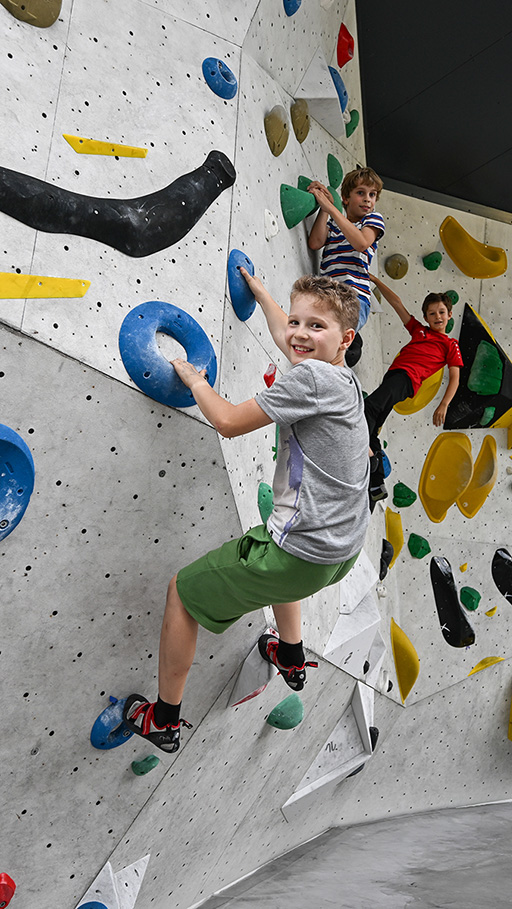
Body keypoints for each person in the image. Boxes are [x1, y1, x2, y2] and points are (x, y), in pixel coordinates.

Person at [122, 272, 370, 753]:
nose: (299, 333)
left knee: (183, 592)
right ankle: (291, 657)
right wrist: (263, 294)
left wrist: (194, 379)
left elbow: (229, 421)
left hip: (298, 553)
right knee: (281, 570)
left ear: (345, 338)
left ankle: (163, 719)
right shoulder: (342, 377)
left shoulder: (314, 378)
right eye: (296, 320)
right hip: (339, 550)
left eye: (315, 326)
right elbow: (291, 338)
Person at [364, 274, 463, 502]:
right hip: (394, 377)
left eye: (441, 312)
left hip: (407, 379)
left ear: (449, 315)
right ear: (425, 317)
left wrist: (444, 404)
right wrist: (377, 282)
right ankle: (376, 483)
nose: (437, 317)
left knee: (368, 408)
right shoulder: (418, 330)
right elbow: (397, 303)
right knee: (375, 423)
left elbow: (455, 378)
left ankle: (364, 455)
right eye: (432, 313)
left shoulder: (450, 345)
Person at [307, 166, 385, 366]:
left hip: (354, 298)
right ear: (346, 198)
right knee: (318, 344)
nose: (368, 199)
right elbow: (315, 242)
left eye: (372, 195)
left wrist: (331, 208)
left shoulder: (372, 220)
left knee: (333, 344)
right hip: (328, 294)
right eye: (361, 193)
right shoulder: (335, 224)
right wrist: (325, 209)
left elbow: (361, 242)